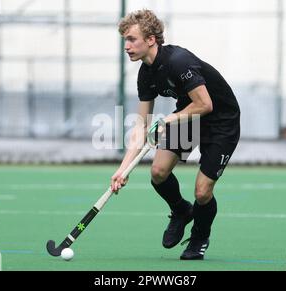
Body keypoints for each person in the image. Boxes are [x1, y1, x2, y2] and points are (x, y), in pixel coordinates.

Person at [111, 9, 240, 260]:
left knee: (203, 191)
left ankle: (200, 237)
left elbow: (205, 104)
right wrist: (123, 169)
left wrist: (167, 120)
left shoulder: (178, 61)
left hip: (221, 121)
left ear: (151, 40)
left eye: (131, 39)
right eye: (125, 40)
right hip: (188, 116)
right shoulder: (145, 73)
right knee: (158, 173)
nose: (126, 46)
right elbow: (141, 126)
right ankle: (181, 211)